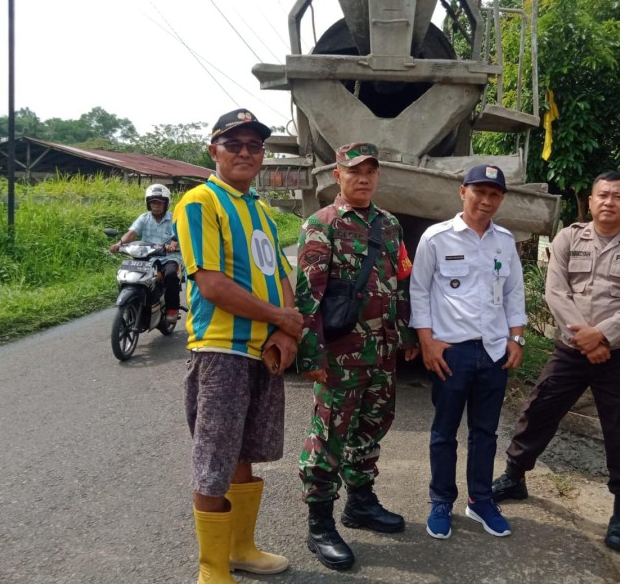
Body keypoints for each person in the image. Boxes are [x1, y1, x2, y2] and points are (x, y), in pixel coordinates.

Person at [491, 171, 620, 553]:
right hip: (573, 350)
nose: (608, 202)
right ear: (590, 202)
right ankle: (514, 477)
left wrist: (602, 336)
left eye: (617, 196)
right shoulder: (569, 237)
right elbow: (555, 292)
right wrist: (586, 341)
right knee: (539, 408)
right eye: (601, 195)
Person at [172, 108, 303, 584]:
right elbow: (210, 284)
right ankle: (212, 569)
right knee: (213, 460)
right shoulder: (199, 202)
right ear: (214, 151)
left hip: (261, 352)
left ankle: (241, 548)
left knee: (245, 451)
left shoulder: (262, 210)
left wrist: (287, 332)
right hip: (222, 352)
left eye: (254, 146)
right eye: (235, 145)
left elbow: (281, 278)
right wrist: (279, 318)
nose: (246, 153)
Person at [296, 142, 418, 571]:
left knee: (372, 426)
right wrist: (309, 355)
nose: (363, 177)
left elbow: (400, 281)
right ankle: (320, 524)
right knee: (328, 435)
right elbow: (309, 297)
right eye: (354, 170)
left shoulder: (389, 225)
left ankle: (361, 503)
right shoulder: (321, 225)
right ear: (338, 176)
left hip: (382, 352)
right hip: (340, 354)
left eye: (370, 170)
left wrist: (406, 334)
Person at [408, 164, 527, 541]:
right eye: (480, 192)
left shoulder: (504, 241)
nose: (486, 201)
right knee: (444, 432)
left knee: (485, 433)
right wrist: (426, 340)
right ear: (463, 192)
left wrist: (516, 338)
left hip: (494, 352)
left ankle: (480, 500)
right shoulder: (437, 237)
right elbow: (419, 290)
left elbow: (514, 293)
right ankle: (441, 500)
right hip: (451, 352)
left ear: (501, 199)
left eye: (494, 195)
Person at [109, 183, 183, 322]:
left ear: (166, 204)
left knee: (171, 274)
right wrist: (119, 244)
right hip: (146, 256)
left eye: (159, 203)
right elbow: (132, 234)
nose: (156, 205)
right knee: (127, 275)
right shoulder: (144, 218)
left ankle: (172, 308)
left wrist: (172, 246)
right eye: (153, 202)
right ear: (148, 204)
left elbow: (177, 236)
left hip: (168, 257)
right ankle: (133, 302)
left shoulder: (173, 218)